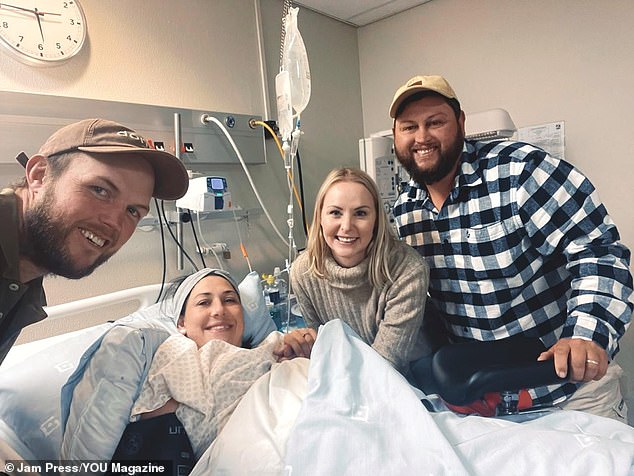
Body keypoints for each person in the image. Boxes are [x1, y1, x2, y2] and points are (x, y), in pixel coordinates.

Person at [390, 75, 633, 421]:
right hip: (483, 402)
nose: (422, 137)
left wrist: (584, 335)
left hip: (567, 392)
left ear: (460, 123)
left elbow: (598, 250)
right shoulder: (405, 211)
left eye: (435, 122)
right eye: (409, 127)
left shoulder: (520, 172)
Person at [0, 118, 189, 365]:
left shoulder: (25, 275)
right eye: (100, 190)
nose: (114, 222)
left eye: (133, 211)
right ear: (40, 175)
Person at [115, 268, 304, 463]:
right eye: (204, 302)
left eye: (230, 300)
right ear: (182, 323)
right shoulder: (177, 352)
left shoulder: (275, 345)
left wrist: (306, 347)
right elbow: (153, 433)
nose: (219, 310)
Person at [288, 167, 444, 382]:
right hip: (349, 376)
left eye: (360, 213)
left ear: (376, 221)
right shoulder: (303, 272)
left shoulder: (406, 270)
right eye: (335, 212)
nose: (346, 226)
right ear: (320, 217)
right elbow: (324, 348)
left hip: (412, 378)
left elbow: (387, 361)